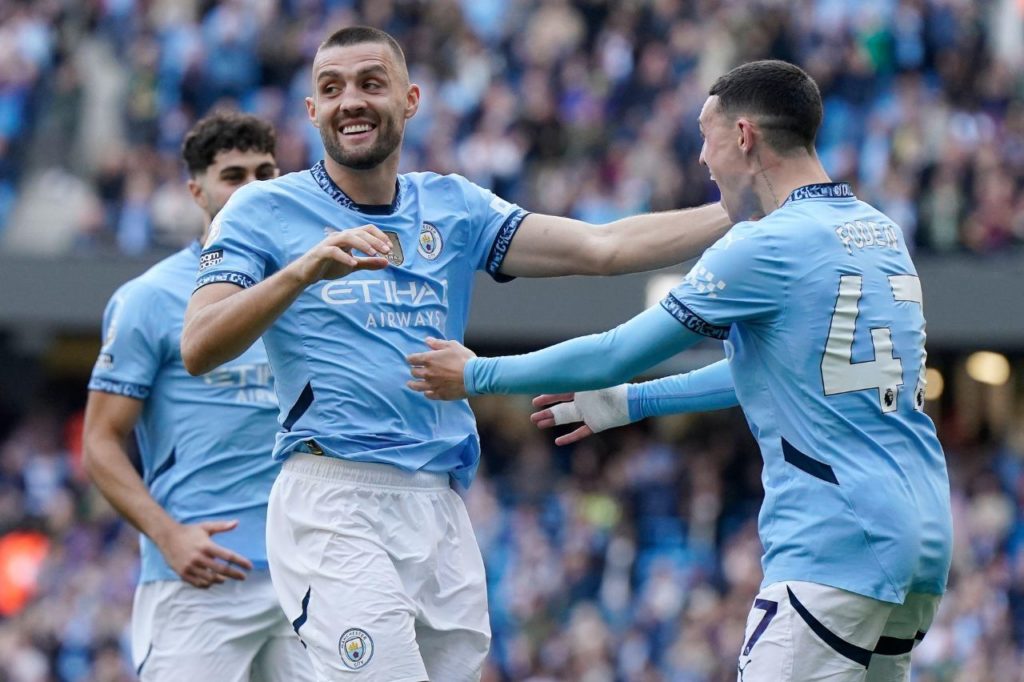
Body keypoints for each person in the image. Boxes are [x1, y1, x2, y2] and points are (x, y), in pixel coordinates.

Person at [180, 25, 731, 682]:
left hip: (438, 508)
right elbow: (199, 345)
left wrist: (744, 212)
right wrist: (301, 272)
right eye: (331, 89)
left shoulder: (452, 205)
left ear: (410, 100)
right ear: (311, 111)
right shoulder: (262, 210)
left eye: (370, 83)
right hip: (332, 503)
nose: (349, 101)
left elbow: (602, 248)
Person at [407, 60, 953, 682]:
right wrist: (631, 404)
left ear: (744, 136)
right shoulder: (879, 230)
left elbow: (616, 351)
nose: (702, 157)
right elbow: (770, 375)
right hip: (922, 537)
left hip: (834, 541)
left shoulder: (763, 244)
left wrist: (478, 375)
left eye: (706, 134)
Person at [82, 112, 314, 681]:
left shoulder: (312, 285)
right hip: (199, 576)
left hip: (305, 570)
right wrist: (168, 536)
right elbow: (99, 442)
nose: (254, 188)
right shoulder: (151, 298)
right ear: (196, 190)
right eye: (234, 175)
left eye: (266, 171)